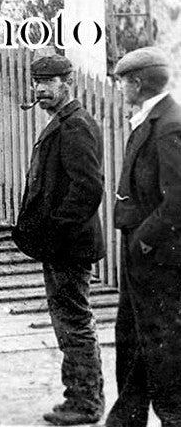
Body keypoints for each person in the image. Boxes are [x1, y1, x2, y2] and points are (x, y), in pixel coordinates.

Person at [10, 55, 105, 425]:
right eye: (36, 82)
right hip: (63, 244)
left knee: (74, 322)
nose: (40, 90)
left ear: (68, 82)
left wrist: (54, 231)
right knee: (69, 320)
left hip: (69, 245)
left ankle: (86, 402)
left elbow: (88, 189)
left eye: (48, 83)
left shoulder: (75, 126)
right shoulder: (63, 123)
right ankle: (80, 397)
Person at [107, 47, 181, 427]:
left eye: (122, 82)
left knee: (161, 340)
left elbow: (178, 199)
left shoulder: (169, 124)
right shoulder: (151, 118)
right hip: (141, 250)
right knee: (132, 335)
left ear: (136, 84)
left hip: (158, 254)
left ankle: (173, 417)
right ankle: (127, 417)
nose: (120, 88)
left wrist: (144, 240)